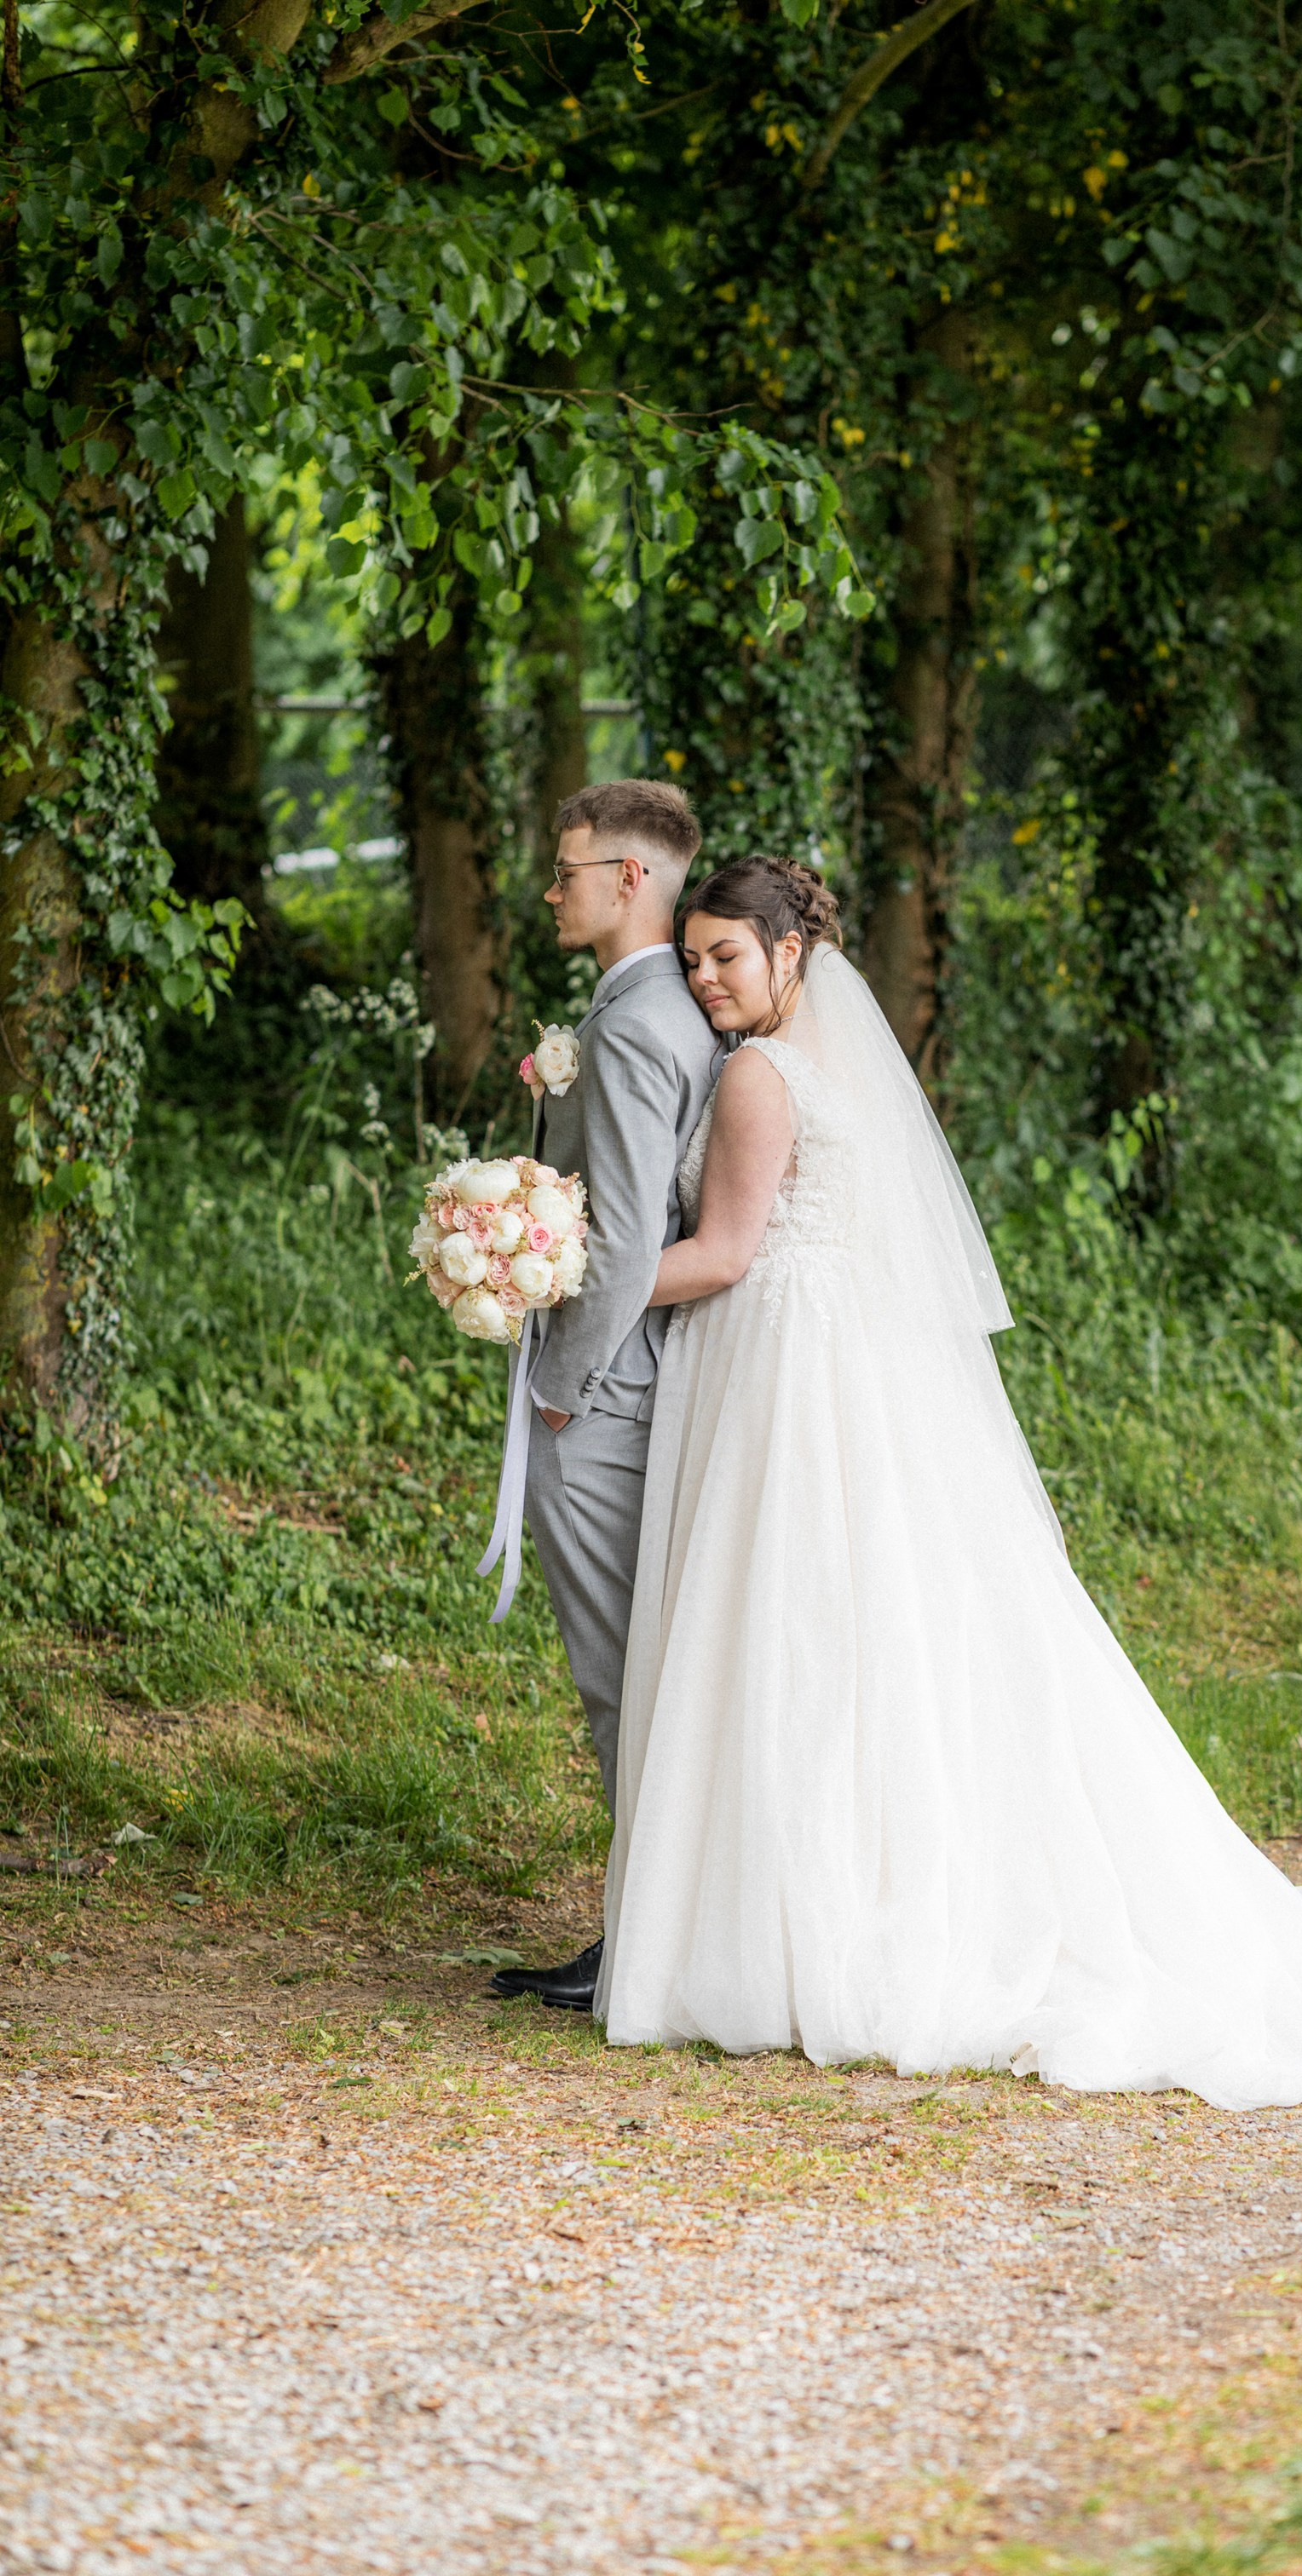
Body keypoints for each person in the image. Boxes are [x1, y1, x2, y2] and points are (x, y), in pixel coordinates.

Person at [593, 855, 1302, 2106]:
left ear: (791, 952)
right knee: (869, 1634)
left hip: (783, 1374)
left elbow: (728, 1253)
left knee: (797, 1631)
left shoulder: (756, 1075)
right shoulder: (834, 1060)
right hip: (853, 1370)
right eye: (691, 960)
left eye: (726, 956)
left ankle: (798, 1927)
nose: (704, 979)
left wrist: (575, 1276)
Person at [488, 779, 718, 2019]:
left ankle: (653, 1947)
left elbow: (626, 1243)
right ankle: (662, 1925)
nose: (550, 891)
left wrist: (561, 1389)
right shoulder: (668, 1003)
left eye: (566, 869)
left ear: (630, 878)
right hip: (641, 1380)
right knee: (647, 1665)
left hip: (608, 1393)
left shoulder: (632, 1027)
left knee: (620, 1677)